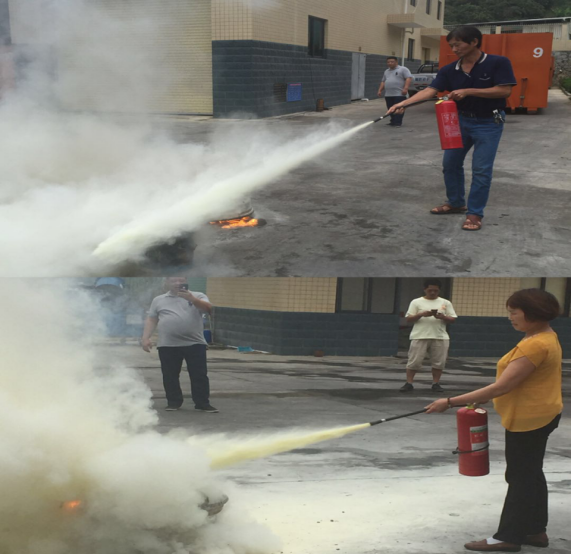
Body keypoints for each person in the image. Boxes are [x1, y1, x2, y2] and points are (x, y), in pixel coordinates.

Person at [425, 289, 563, 552]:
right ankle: (535, 531)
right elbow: (516, 382)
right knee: (530, 474)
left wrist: (450, 401)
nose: (510, 317)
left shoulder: (534, 344)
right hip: (542, 413)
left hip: (530, 419)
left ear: (532, 313)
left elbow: (502, 386)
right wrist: (485, 397)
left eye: (514, 312)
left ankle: (508, 537)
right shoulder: (545, 336)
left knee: (520, 477)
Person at [386, 26, 516, 231]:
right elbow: (430, 91)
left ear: (474, 42)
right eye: (451, 46)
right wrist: (403, 104)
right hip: (459, 121)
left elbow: (504, 90)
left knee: (481, 169)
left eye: (457, 44)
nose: (454, 49)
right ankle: (456, 203)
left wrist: (468, 91)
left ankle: (475, 213)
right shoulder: (449, 69)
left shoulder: (498, 62)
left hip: (489, 122)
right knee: (450, 164)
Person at [141, 276, 218, 413]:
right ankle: (173, 402)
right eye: (173, 281)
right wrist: (145, 338)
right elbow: (152, 319)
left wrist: (192, 299)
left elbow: (209, 309)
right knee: (169, 375)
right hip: (167, 344)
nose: (178, 283)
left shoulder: (198, 296)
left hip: (195, 343)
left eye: (181, 280)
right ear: (167, 282)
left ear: (186, 281)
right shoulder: (159, 300)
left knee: (199, 375)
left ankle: (202, 403)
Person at [401, 279, 457, 393]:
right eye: (430, 290)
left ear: (439, 290)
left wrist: (443, 317)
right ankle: (409, 383)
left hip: (440, 336)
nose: (432, 293)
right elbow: (409, 318)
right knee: (414, 361)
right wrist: (421, 314)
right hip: (419, 335)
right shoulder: (416, 302)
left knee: (439, 362)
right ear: (425, 289)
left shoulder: (445, 303)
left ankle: (436, 383)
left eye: (435, 291)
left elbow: (453, 319)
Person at [377, 56, 412, 127]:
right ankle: (393, 121)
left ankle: (398, 122)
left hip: (399, 94)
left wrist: (405, 88)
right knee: (390, 108)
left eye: (392, 62)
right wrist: (380, 90)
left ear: (396, 62)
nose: (390, 63)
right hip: (388, 94)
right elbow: (383, 81)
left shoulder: (403, 69)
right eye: (388, 62)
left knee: (399, 108)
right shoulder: (386, 71)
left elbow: (408, 78)